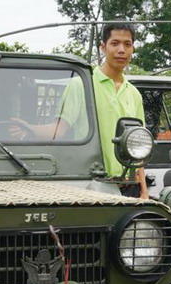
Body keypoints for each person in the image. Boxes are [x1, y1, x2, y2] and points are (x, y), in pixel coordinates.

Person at [10, 23, 148, 198]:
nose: (121, 50)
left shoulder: (133, 94)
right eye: (115, 43)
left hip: (130, 187)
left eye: (127, 44)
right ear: (103, 47)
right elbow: (58, 131)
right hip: (94, 186)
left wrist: (143, 191)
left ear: (132, 49)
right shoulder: (81, 85)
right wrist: (29, 129)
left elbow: (138, 146)